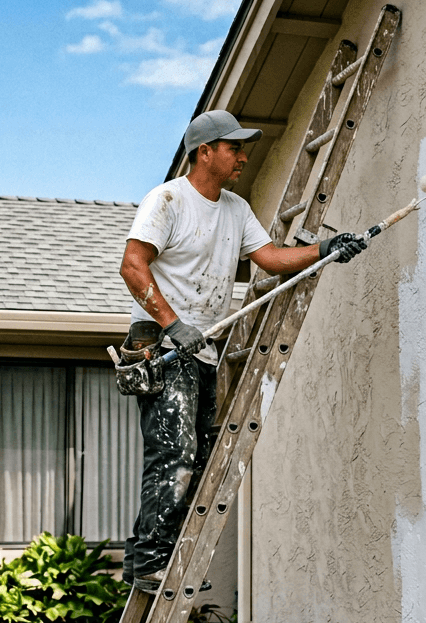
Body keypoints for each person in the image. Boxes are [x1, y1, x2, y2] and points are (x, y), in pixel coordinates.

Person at [119, 109, 367, 594]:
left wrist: (327, 249)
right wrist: (173, 324)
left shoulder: (235, 207)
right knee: (175, 451)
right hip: (163, 346)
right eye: (234, 148)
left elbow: (270, 259)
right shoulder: (167, 199)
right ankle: (149, 561)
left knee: (199, 454)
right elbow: (133, 265)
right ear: (204, 152)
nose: (243, 157)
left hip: (202, 346)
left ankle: (147, 556)